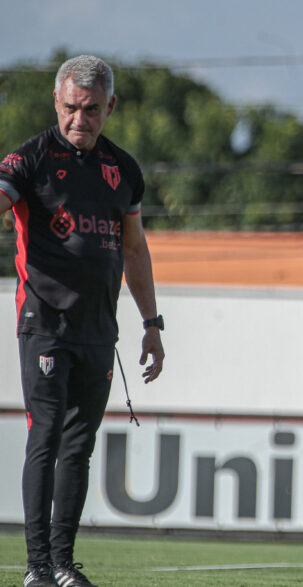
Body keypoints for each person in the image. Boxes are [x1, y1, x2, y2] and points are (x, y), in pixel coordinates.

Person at [0, 55, 165, 587]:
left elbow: (134, 251)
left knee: (79, 446)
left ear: (110, 107)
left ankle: (64, 564)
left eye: (91, 110)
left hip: (98, 331)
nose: (80, 119)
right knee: (46, 436)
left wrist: (152, 323)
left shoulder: (124, 170)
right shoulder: (30, 160)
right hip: (44, 324)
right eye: (71, 107)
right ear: (56, 101)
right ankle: (37, 568)